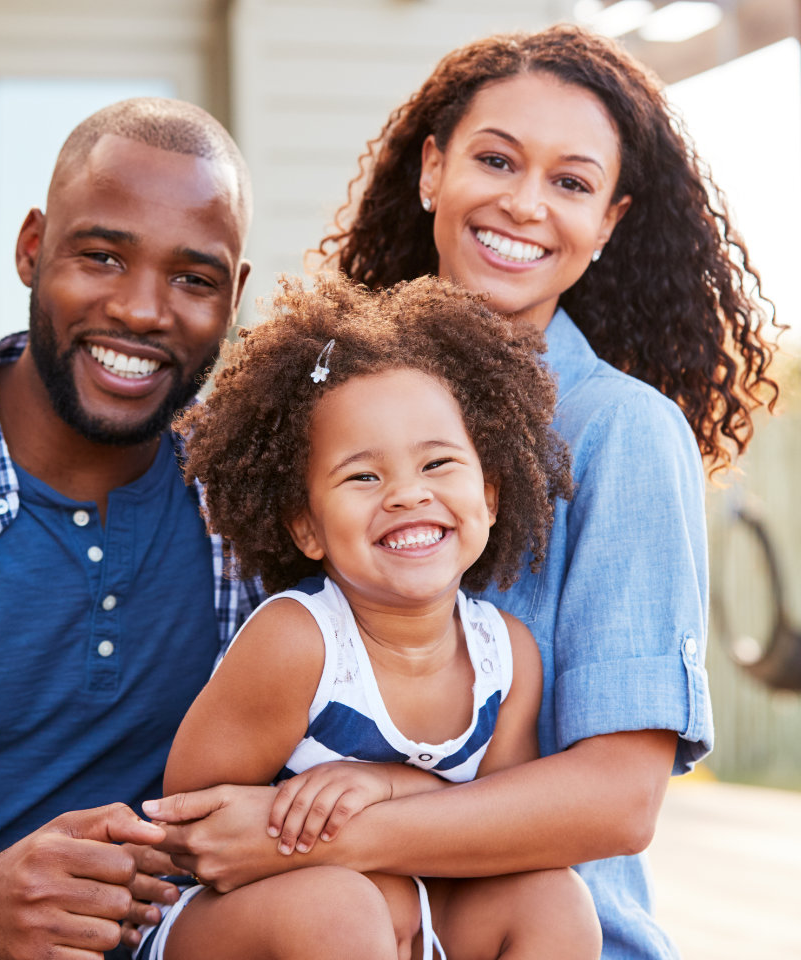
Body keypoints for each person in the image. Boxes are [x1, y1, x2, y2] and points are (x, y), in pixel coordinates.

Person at [142, 24, 780, 960]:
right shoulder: (323, 396)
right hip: (317, 920)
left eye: (571, 182)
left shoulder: (621, 434)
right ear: (433, 169)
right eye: (496, 159)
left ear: (608, 221)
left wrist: (307, 827)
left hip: (536, 929)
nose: (525, 204)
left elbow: (620, 796)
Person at [0, 97, 261, 960]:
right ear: (33, 248)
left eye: (193, 278)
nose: (144, 311)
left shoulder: (255, 509)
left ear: (235, 296)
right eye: (102, 256)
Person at [138, 272, 600, 960]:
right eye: (363, 476)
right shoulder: (299, 642)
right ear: (307, 528)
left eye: (439, 463)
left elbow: (502, 832)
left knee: (554, 898)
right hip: (240, 927)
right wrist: (352, 865)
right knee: (340, 907)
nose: (408, 495)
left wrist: (388, 785)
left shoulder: (507, 657)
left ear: (491, 494)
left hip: (412, 918)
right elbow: (194, 825)